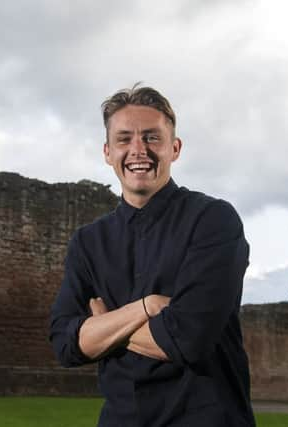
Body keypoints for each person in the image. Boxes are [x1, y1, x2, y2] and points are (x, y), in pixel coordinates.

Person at [49, 84, 255, 427]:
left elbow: (189, 339)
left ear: (174, 148)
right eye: (124, 139)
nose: (138, 150)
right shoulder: (88, 242)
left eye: (151, 138)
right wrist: (144, 308)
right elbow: (64, 344)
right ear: (107, 151)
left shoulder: (213, 221)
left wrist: (105, 325)